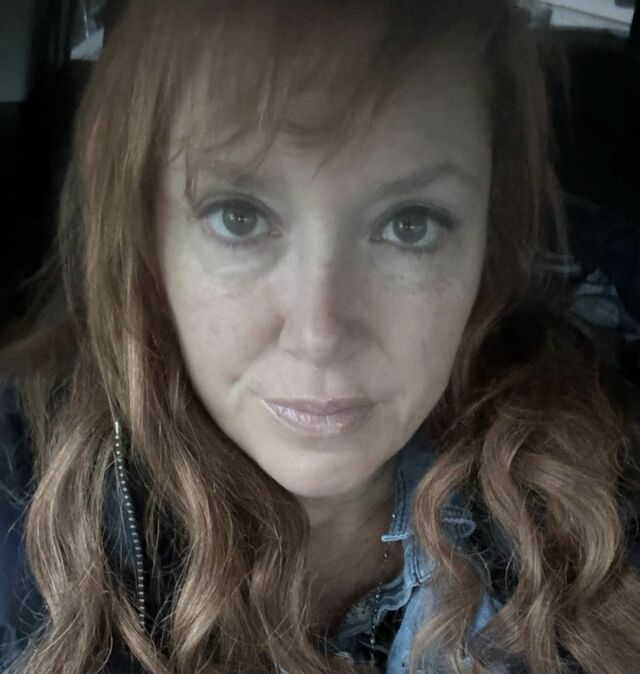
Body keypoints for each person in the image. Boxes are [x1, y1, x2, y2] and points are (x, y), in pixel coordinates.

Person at [1, 0, 639, 672]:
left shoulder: (602, 485)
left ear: (487, 241)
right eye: (239, 217)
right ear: (146, 239)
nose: (319, 333)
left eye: (410, 225)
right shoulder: (20, 490)